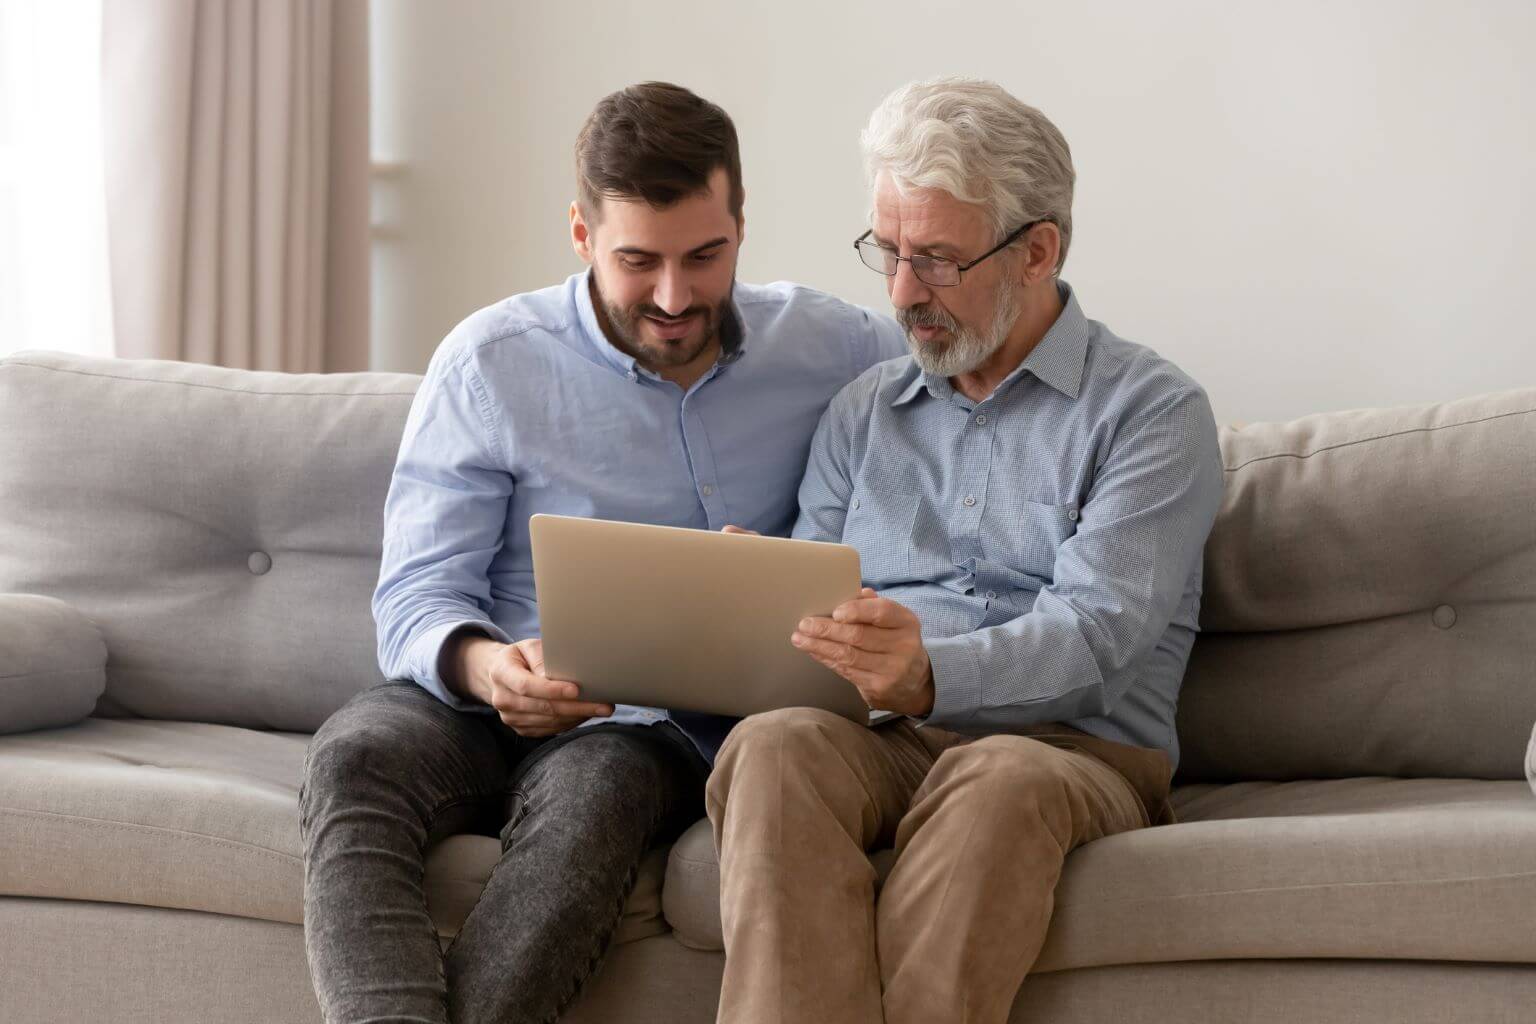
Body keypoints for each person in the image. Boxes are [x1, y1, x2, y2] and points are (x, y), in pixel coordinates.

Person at [297, 81, 904, 1024]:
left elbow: (961, 433)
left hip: (653, 726)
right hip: (488, 692)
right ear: (581, 236)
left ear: (742, 223)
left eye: (706, 257)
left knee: (596, 792)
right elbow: (417, 593)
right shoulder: (491, 362)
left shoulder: (841, 348)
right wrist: (492, 666)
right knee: (355, 756)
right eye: (637, 261)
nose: (674, 296)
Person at [709, 77, 1225, 1024]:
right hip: (879, 741)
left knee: (1002, 777)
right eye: (890, 254)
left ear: (1038, 252)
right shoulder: (862, 413)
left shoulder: (1153, 414)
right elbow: (811, 632)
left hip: (1073, 752)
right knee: (773, 745)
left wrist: (927, 676)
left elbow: (1097, 641)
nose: (903, 294)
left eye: (938, 261)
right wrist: (759, 604)